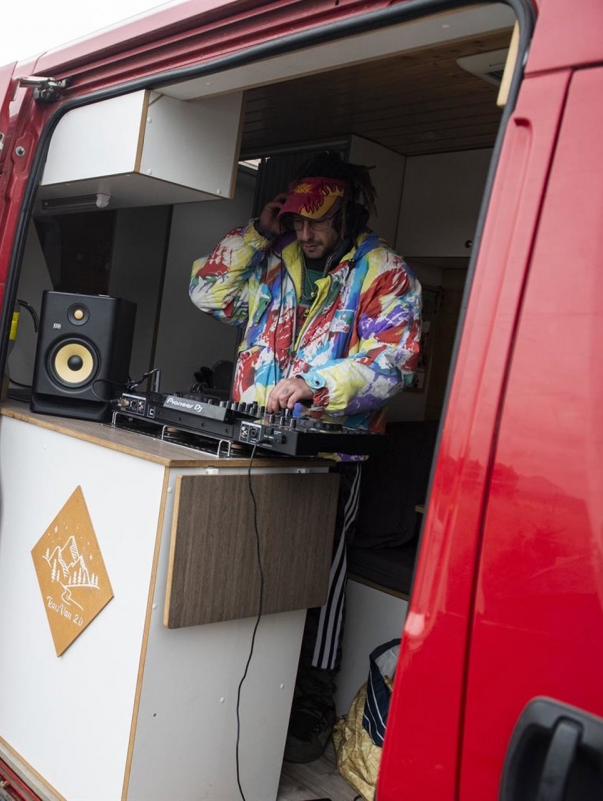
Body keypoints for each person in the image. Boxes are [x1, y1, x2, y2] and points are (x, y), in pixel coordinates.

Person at [189, 151, 422, 763]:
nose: (306, 231)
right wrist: (256, 232)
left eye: (318, 220)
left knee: (321, 572)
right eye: (297, 219)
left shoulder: (383, 271)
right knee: (245, 563)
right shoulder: (272, 260)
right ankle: (240, 680)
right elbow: (207, 293)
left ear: (349, 214)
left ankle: (311, 699)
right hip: (252, 443)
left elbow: (395, 362)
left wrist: (316, 386)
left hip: (331, 455)